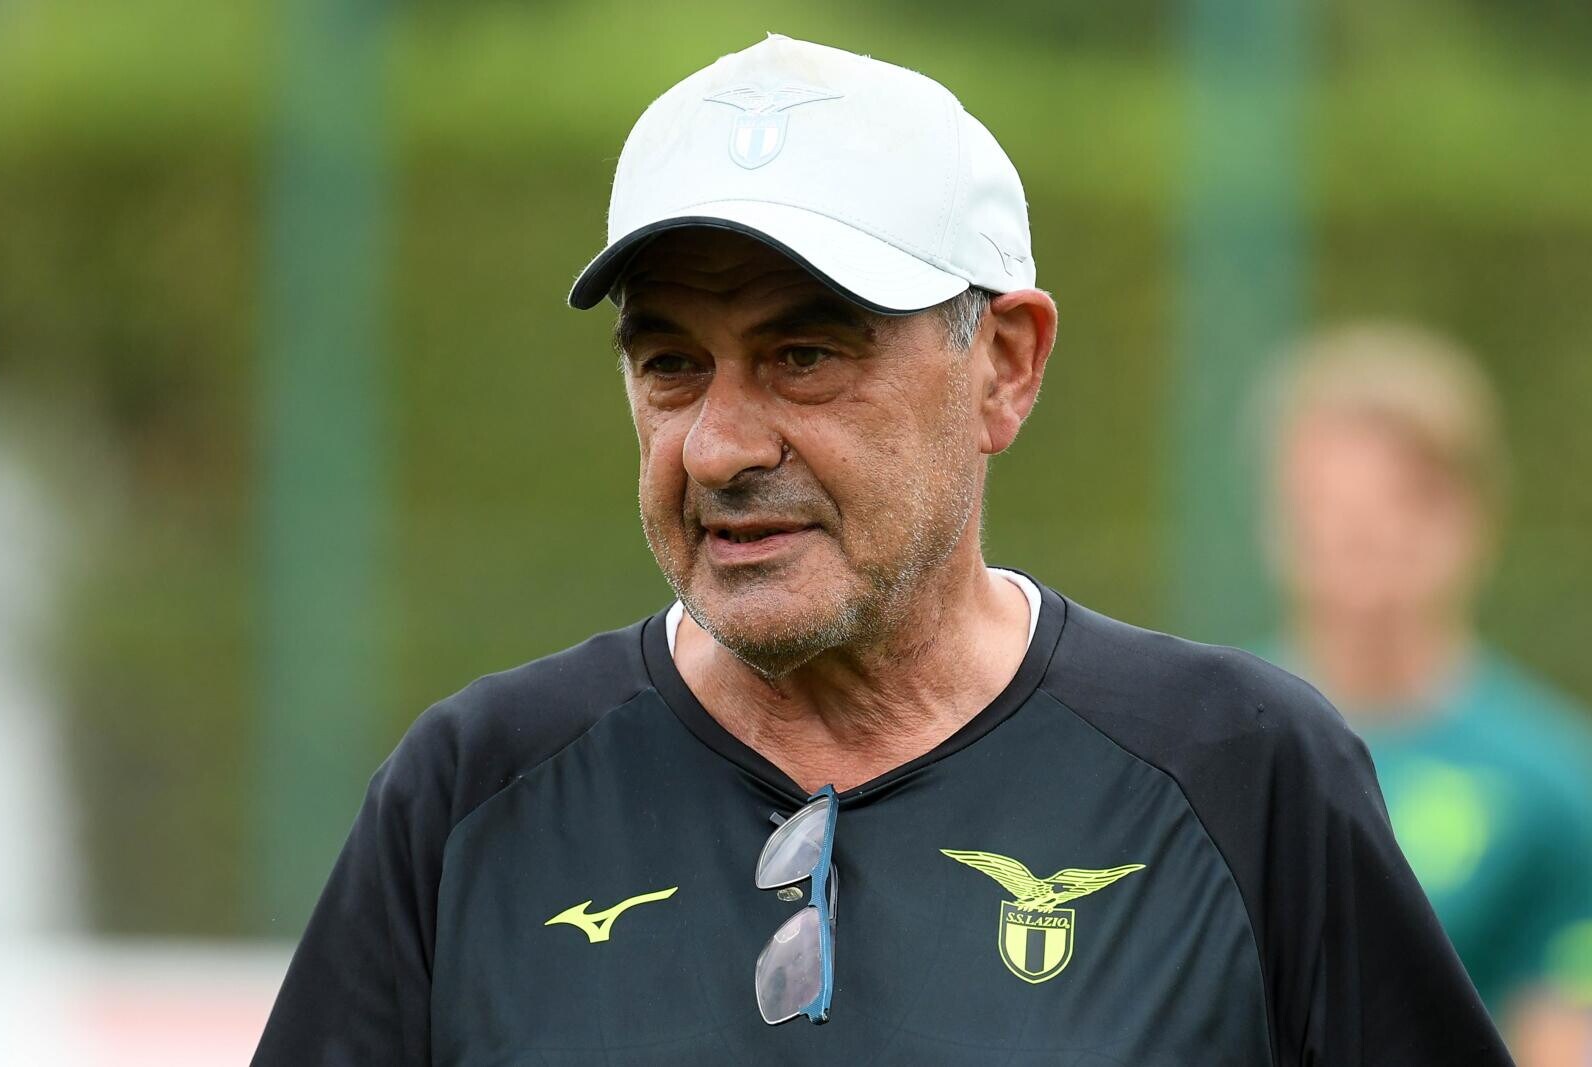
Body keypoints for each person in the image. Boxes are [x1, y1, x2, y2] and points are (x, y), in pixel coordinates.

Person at [253, 35, 1509, 1065]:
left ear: (1003, 366)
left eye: (804, 354)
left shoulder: (1240, 774)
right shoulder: (471, 795)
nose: (717, 446)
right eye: (671, 362)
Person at [1259, 322, 1592, 1066]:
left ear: (1470, 518)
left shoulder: (1557, 784)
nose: (1362, 535)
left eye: (1398, 502)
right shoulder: (1196, 748)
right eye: (1329, 506)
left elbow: (1561, 1033)